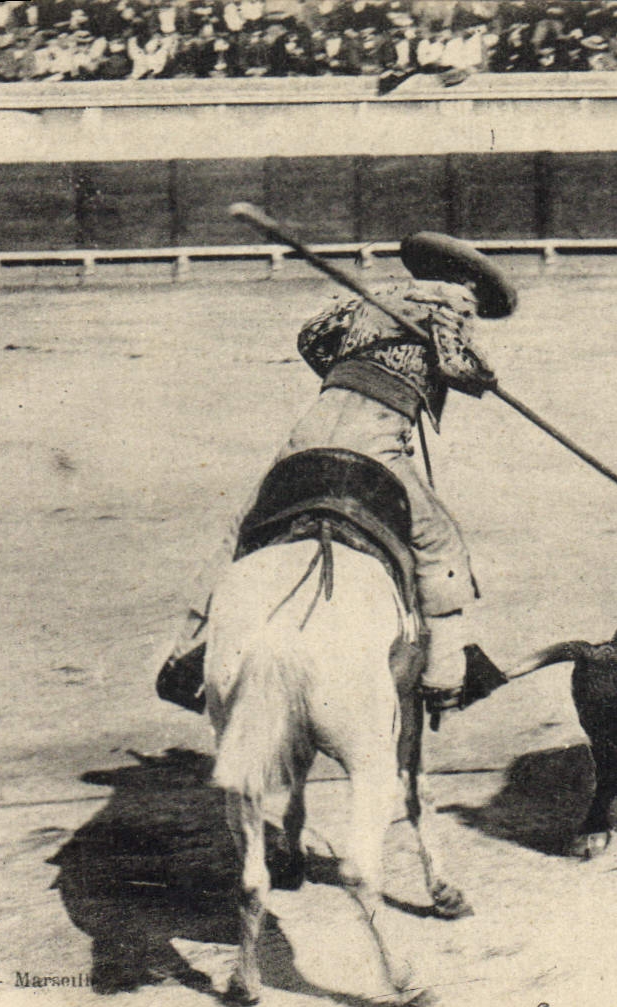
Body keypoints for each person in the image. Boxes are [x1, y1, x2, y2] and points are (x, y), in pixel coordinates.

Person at [156, 231, 517, 719]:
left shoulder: (374, 297)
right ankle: (446, 675)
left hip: (309, 433)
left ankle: (187, 653)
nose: (474, 301)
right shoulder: (451, 304)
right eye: (476, 292)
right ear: (466, 280)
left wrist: (351, 366)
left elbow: (310, 337)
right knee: (441, 541)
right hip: (375, 442)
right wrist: (485, 379)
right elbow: (459, 365)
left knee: (243, 527)